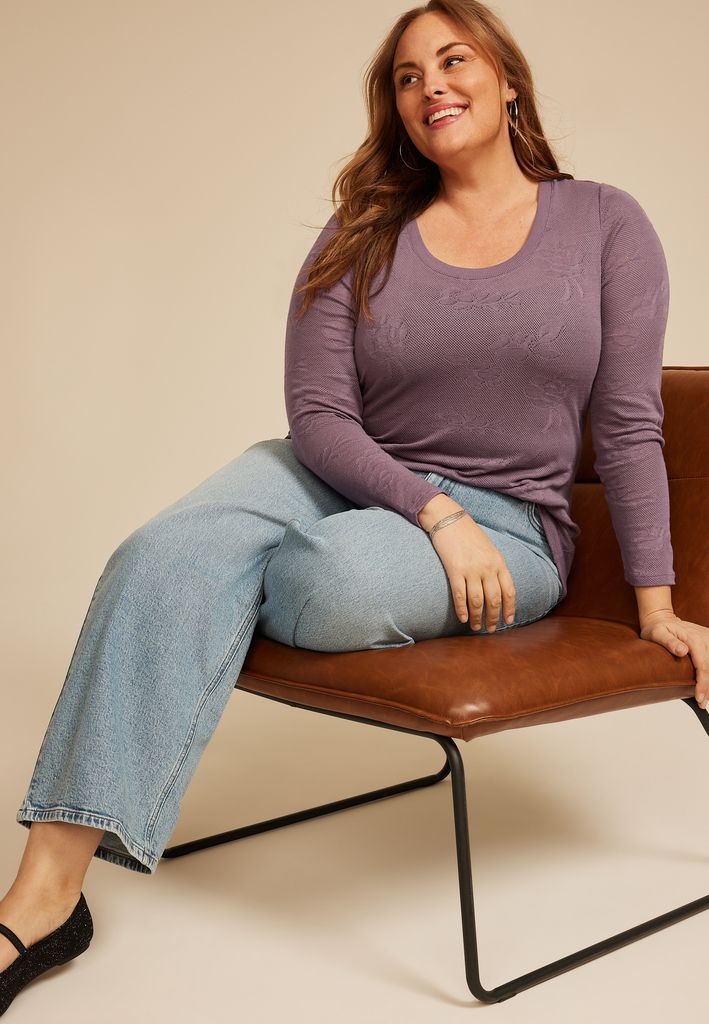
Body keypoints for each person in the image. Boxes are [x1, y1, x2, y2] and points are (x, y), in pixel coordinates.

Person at [3, 0, 704, 1013]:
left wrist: (657, 605)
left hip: (509, 528)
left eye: (453, 61)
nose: (431, 88)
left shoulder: (605, 223)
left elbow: (631, 426)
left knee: (323, 579)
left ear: (508, 80)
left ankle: (199, 622)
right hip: (338, 476)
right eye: (408, 78)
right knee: (157, 557)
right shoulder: (363, 232)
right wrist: (430, 512)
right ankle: (43, 898)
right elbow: (319, 417)